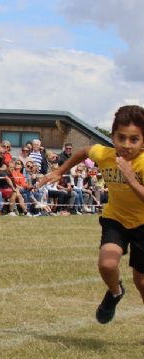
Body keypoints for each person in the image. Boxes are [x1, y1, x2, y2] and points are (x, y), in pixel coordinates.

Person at [40, 105, 144, 324]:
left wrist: (130, 178)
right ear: (112, 137)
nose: (126, 145)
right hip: (115, 218)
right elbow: (84, 151)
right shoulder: (104, 154)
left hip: (143, 224)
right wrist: (60, 171)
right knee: (107, 265)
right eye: (121, 137)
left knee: (141, 281)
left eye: (134, 139)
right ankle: (115, 292)